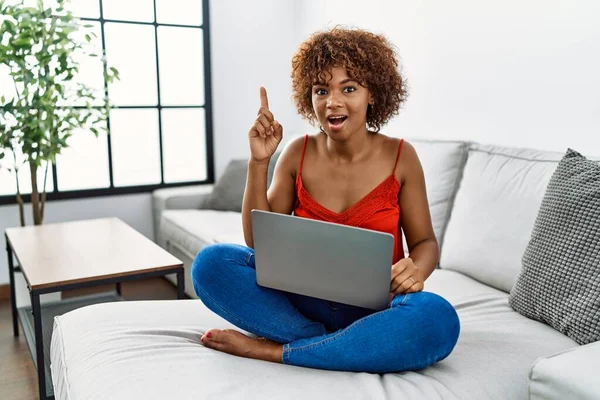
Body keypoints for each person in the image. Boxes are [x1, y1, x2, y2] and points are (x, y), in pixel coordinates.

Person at [191, 27, 460, 373]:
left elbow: (425, 243)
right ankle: (337, 345)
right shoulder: (296, 154)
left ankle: (278, 351)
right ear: (309, 97)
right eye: (321, 90)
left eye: (348, 88)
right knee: (210, 264)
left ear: (372, 95)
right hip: (301, 306)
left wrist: (417, 268)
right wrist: (259, 162)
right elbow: (258, 241)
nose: (332, 101)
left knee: (438, 320)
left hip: (377, 309)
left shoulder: (401, 157)